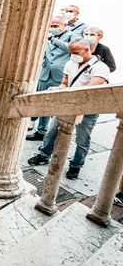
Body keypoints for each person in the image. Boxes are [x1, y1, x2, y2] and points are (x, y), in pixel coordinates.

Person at [28, 39, 109, 179]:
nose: (73, 56)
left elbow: (89, 91)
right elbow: (65, 82)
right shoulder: (70, 63)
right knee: (51, 132)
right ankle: (44, 155)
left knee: (82, 140)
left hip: (87, 110)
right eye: (70, 53)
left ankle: (75, 166)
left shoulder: (100, 68)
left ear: (87, 50)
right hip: (67, 106)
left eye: (76, 53)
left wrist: (67, 93)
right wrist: (59, 89)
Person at [26, 16, 79, 141]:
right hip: (44, 74)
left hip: (60, 77)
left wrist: (53, 39)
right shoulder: (46, 36)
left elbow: (72, 49)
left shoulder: (73, 36)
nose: (52, 28)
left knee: (56, 107)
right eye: (51, 26)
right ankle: (41, 131)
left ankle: (55, 134)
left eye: (56, 26)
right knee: (42, 104)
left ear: (65, 26)